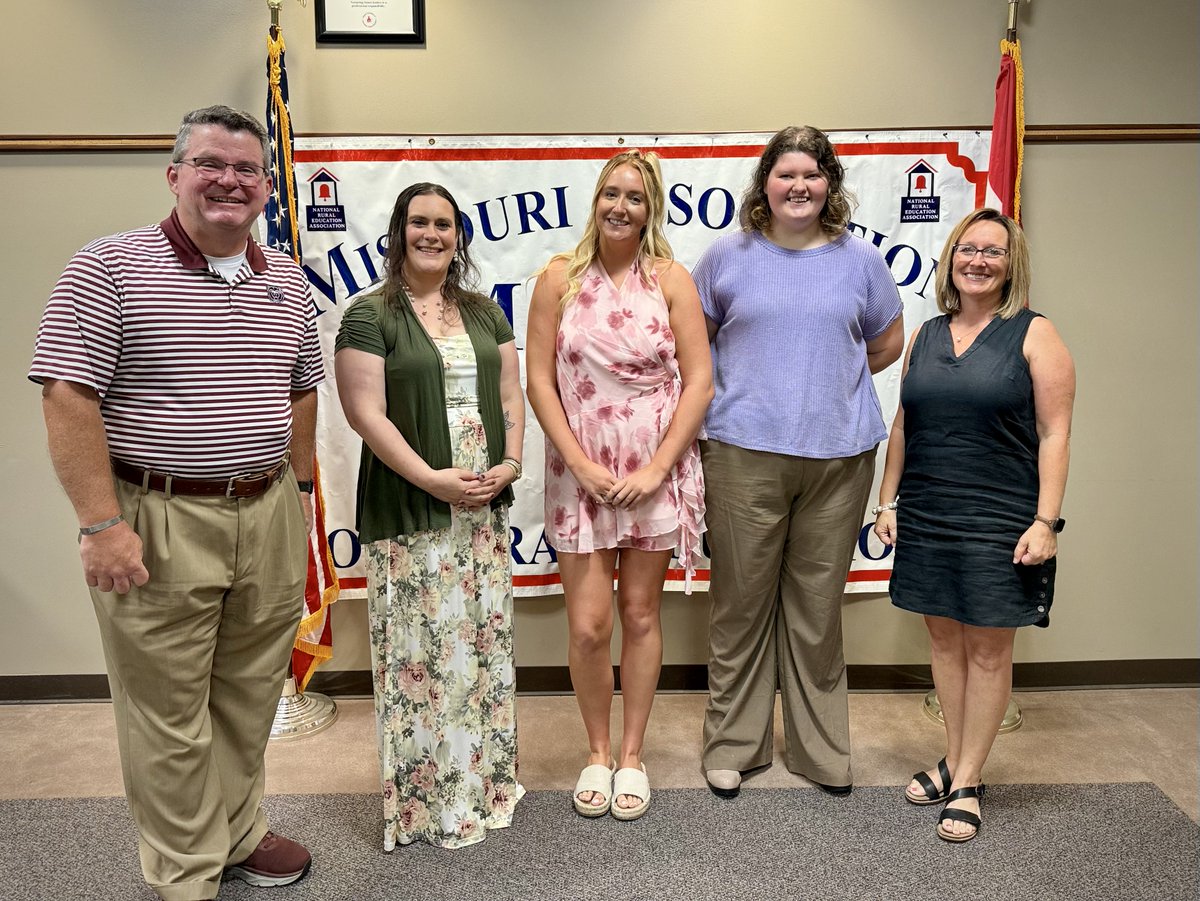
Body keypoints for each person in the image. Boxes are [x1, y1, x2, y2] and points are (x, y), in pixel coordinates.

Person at [29, 105, 319, 899]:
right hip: (155, 518)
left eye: (246, 170)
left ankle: (237, 831)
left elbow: (300, 392)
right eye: (209, 164)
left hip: (265, 513)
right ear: (175, 175)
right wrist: (100, 523)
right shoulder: (108, 268)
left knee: (251, 691)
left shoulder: (288, 280)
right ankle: (187, 871)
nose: (229, 180)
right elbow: (66, 395)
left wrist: (297, 492)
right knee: (166, 710)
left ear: (266, 186)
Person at [694, 125, 905, 799]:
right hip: (742, 453)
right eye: (786, 175)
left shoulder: (860, 260)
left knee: (817, 611)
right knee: (741, 606)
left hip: (840, 457)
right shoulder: (726, 256)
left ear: (829, 185)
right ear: (765, 184)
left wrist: (823, 382)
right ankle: (734, 746)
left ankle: (821, 752)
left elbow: (885, 341)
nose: (799, 187)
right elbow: (696, 351)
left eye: (812, 175)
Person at [334, 182, 525, 849]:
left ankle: (483, 786)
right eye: (420, 221)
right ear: (398, 230)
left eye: (444, 224)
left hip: (480, 506)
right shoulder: (370, 315)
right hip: (414, 502)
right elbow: (366, 414)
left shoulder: (483, 311)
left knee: (476, 647)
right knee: (421, 655)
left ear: (458, 236)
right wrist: (432, 480)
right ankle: (421, 804)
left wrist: (511, 465)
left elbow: (510, 392)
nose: (433, 234)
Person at [874, 208, 1075, 842]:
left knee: (988, 651)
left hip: (1002, 516)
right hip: (930, 509)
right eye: (967, 248)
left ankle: (967, 780)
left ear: (1011, 263)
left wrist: (1046, 521)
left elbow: (1055, 431)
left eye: (993, 251)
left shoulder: (1035, 333)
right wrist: (887, 502)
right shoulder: (927, 334)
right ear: (951, 259)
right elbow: (904, 424)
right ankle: (958, 758)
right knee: (943, 644)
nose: (978, 260)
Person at [526, 150, 712, 820]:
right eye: (611, 193)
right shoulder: (558, 278)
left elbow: (700, 382)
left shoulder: (671, 280)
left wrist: (659, 467)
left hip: (653, 473)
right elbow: (539, 380)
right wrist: (578, 461)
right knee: (586, 625)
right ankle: (597, 751)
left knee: (638, 614)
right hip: (580, 472)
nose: (621, 206)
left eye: (635, 196)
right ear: (596, 200)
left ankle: (632, 755)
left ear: (651, 207)